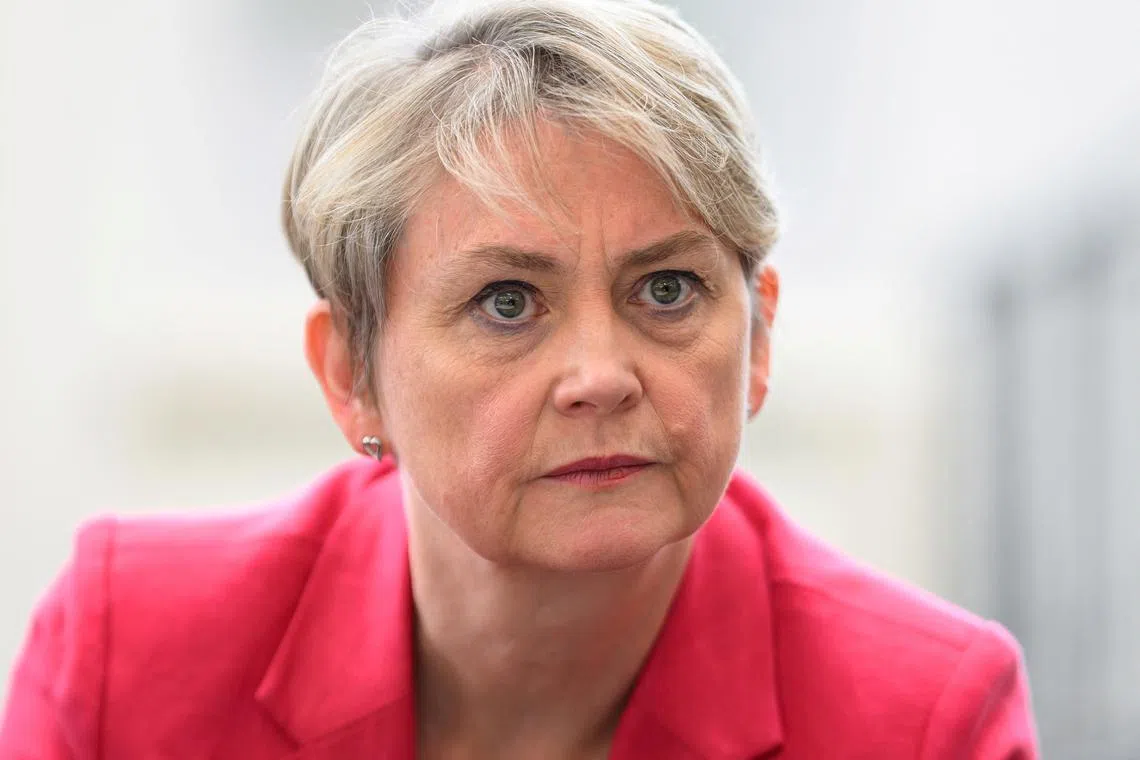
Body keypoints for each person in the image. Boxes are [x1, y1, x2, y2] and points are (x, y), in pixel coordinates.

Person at [0, 0, 1039, 757]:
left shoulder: (924, 716)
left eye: (668, 289)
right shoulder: (126, 650)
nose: (600, 376)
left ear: (759, 337)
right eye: (507, 301)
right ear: (352, 374)